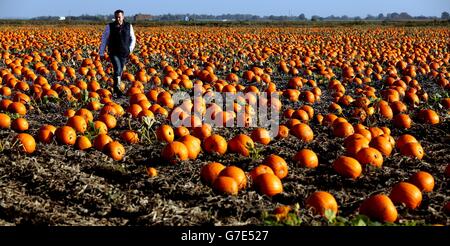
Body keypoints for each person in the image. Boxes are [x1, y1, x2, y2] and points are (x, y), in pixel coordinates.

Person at [99, 9, 136, 97]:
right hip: (113, 52)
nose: (118, 19)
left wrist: (130, 49)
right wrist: (101, 53)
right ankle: (117, 89)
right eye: (116, 17)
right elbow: (104, 39)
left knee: (119, 72)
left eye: (119, 17)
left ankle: (117, 88)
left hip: (124, 53)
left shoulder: (128, 26)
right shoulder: (109, 26)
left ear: (123, 17)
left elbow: (133, 39)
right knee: (117, 69)